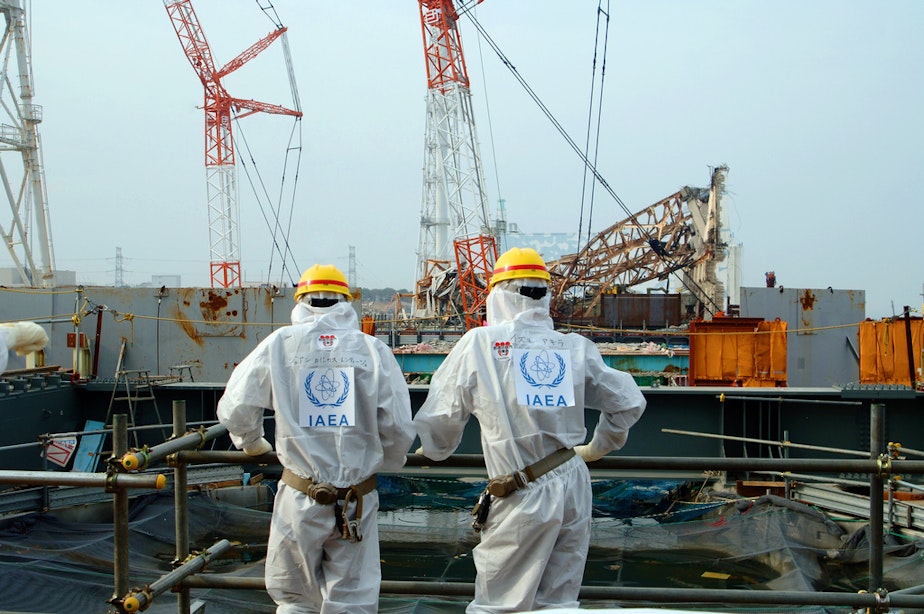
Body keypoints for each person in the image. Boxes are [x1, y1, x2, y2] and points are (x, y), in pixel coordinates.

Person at [414, 247, 646, 613]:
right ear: (545, 295)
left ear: (498, 295)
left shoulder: (480, 344)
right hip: (572, 480)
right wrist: (599, 446)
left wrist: (434, 451)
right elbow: (628, 402)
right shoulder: (574, 347)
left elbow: (442, 418)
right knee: (559, 601)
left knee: (499, 603)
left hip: (521, 489)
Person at [217, 264, 415, 614]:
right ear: (346, 302)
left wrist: (251, 443)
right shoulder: (372, 350)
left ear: (301, 302)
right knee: (352, 599)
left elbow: (235, 407)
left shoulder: (279, 345)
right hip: (358, 499)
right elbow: (398, 425)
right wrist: (389, 461)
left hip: (299, 494)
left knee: (295, 599)